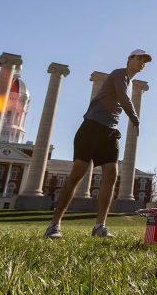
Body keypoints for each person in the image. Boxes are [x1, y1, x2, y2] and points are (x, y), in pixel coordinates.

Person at [44, 50, 151, 239]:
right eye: (139, 58)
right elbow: (123, 98)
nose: (142, 62)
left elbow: (122, 101)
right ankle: (54, 225)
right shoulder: (119, 73)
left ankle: (100, 226)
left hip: (110, 131)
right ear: (129, 59)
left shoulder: (131, 82)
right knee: (77, 173)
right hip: (92, 126)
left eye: (145, 61)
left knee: (111, 174)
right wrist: (135, 118)